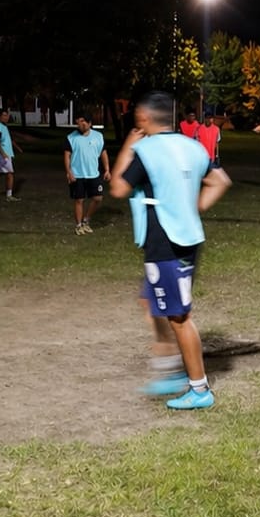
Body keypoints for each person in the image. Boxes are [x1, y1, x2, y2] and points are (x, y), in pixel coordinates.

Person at [109, 90, 232, 410]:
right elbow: (220, 180)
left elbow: (119, 188)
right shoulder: (191, 146)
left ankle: (198, 388)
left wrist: (128, 146)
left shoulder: (147, 150)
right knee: (149, 300)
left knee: (179, 317)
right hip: (188, 237)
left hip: (164, 243)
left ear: (144, 120)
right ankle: (171, 367)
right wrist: (195, 209)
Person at [64, 113, 111, 235]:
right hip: (77, 175)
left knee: (98, 198)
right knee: (79, 200)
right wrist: (69, 172)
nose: (82, 123)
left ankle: (86, 220)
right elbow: (67, 156)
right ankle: (79, 225)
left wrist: (107, 169)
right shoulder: (71, 138)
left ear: (90, 123)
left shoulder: (98, 136)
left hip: (93, 174)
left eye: (84, 121)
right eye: (79, 121)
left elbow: (103, 153)